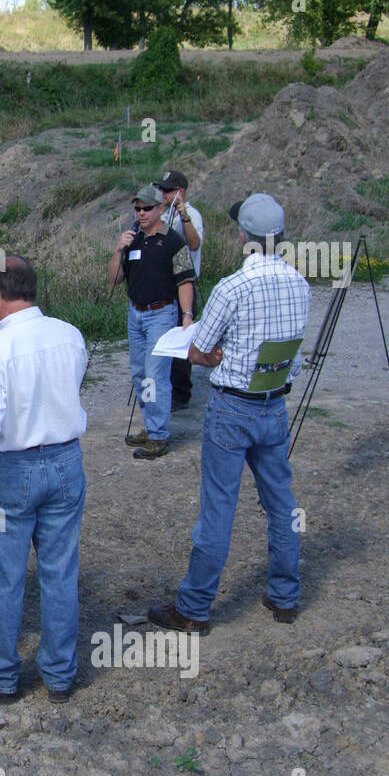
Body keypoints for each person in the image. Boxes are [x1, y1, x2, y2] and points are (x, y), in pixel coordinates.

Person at [145, 193, 311, 635]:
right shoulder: (300, 283)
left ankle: (195, 607)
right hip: (273, 402)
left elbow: (198, 352)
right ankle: (285, 595)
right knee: (281, 503)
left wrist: (215, 354)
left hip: (232, 407)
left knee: (218, 509)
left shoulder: (232, 288)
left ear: (244, 237)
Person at [0, 257, 89, 703]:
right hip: (65, 462)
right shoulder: (69, 335)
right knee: (60, 571)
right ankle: (59, 673)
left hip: (11, 473)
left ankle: (1, 673)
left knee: (4, 575)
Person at [108, 184, 195, 460]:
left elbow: (185, 280)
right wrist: (118, 250)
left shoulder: (173, 242)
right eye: (138, 208)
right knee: (139, 374)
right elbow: (114, 279)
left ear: (160, 209)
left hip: (162, 313)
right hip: (136, 313)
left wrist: (187, 315)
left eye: (147, 208)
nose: (141, 213)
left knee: (155, 375)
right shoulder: (132, 240)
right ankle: (151, 425)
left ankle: (158, 435)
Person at [155, 170, 204, 410]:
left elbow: (195, 244)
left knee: (182, 338)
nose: (163, 194)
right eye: (162, 190)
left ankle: (181, 393)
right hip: (165, 283)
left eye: (167, 190)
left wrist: (184, 217)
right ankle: (167, 385)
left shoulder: (191, 214)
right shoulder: (163, 214)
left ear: (180, 193)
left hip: (185, 282)